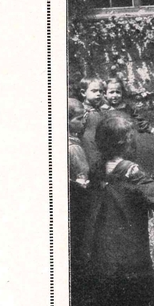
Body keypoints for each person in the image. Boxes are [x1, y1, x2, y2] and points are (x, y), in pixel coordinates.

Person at [84, 115, 154, 306]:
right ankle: (137, 297)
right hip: (129, 225)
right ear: (124, 143)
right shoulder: (131, 170)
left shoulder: (97, 167)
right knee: (134, 256)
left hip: (104, 224)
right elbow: (151, 191)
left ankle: (108, 295)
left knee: (106, 255)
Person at [68, 98, 90, 285]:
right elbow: (84, 177)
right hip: (78, 199)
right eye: (79, 119)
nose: (84, 122)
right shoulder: (74, 148)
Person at [78, 77, 106, 167]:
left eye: (101, 91)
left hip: (101, 150)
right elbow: (86, 137)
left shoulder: (100, 111)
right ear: (83, 93)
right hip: (89, 153)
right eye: (94, 91)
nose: (98, 94)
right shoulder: (82, 111)